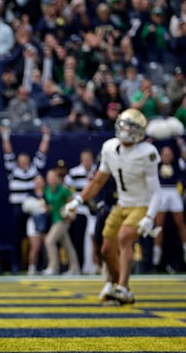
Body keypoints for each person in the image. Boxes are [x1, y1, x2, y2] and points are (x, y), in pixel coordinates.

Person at [64, 108, 161, 305]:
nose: (126, 130)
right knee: (106, 249)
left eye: (132, 127)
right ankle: (117, 285)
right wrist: (78, 200)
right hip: (122, 204)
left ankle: (123, 288)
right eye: (125, 125)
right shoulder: (109, 147)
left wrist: (150, 217)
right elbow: (98, 181)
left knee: (124, 237)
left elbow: (156, 191)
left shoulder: (147, 153)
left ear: (140, 131)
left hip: (141, 205)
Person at [2, 127, 50, 273]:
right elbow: (8, 154)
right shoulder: (13, 170)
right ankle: (16, 265)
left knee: (37, 238)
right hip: (18, 208)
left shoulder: (33, 170)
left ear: (28, 161)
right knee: (17, 238)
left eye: (25, 160)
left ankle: (40, 265)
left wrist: (46, 138)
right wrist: (5, 137)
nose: (23, 163)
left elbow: (41, 154)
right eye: (21, 161)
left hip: (34, 207)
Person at [152, 138, 186, 269]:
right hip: (161, 192)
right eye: (165, 154)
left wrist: (182, 145)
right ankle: (156, 251)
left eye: (169, 154)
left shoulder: (176, 164)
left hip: (173, 191)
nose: (167, 156)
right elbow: (146, 158)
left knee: (180, 222)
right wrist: (150, 141)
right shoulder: (156, 164)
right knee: (159, 224)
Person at [64, 148, 100, 275]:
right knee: (78, 240)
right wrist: (71, 206)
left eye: (88, 159)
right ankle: (78, 267)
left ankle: (96, 266)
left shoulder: (99, 171)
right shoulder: (74, 172)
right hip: (80, 209)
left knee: (96, 239)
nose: (86, 161)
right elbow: (66, 189)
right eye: (84, 159)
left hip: (96, 210)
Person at [42, 169, 80, 276]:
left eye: (53, 177)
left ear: (57, 178)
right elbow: (50, 204)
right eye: (49, 178)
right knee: (67, 244)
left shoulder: (64, 190)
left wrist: (71, 214)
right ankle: (74, 268)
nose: (52, 180)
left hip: (63, 220)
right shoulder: (47, 189)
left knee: (49, 241)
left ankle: (53, 267)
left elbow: (72, 203)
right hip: (54, 219)